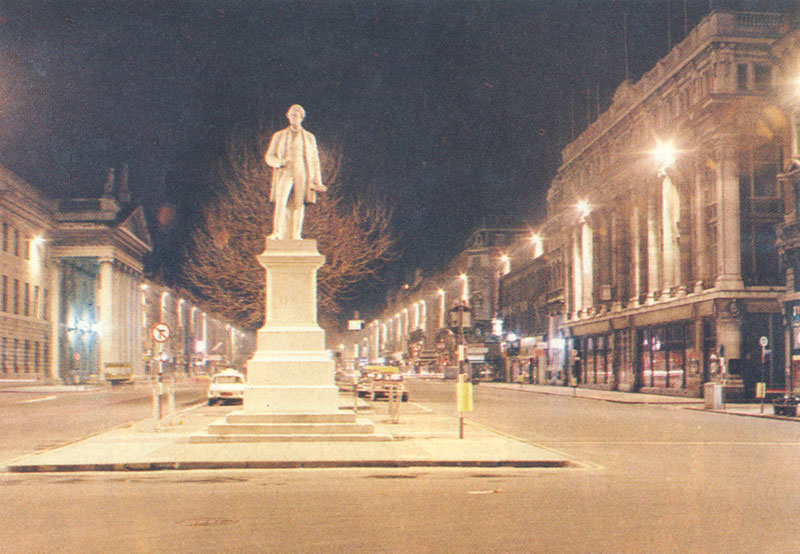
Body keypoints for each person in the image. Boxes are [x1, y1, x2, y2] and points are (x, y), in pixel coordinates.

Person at [264, 104, 326, 240]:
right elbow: (269, 156)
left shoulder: (309, 137)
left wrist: (317, 181)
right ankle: (277, 232)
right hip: (285, 171)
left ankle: (296, 235)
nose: (293, 117)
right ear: (288, 116)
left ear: (301, 118)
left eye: (296, 115)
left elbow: (315, 161)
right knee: (281, 201)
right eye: (291, 115)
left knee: (299, 203)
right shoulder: (279, 136)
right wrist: (279, 162)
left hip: (302, 172)